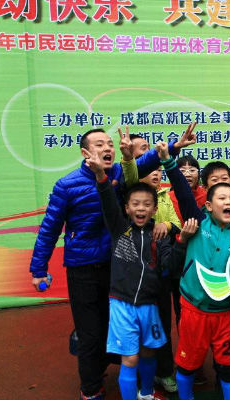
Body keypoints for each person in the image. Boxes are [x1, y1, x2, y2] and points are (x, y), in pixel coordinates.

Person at [29, 126, 192, 400]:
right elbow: (49, 229)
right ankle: (91, 389)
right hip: (83, 269)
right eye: (99, 145)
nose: (107, 148)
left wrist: (175, 147)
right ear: (85, 153)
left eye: (109, 144)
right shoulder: (66, 186)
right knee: (90, 333)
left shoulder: (118, 173)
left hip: (119, 268)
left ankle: (139, 385)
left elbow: (146, 161)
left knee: (123, 328)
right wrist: (38, 269)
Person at [158, 141, 230, 400]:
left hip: (226, 314)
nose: (229, 202)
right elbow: (182, 191)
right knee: (187, 366)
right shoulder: (196, 222)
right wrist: (168, 161)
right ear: (208, 206)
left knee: (229, 369)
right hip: (193, 311)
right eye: (222, 198)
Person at [84, 147, 174, 400]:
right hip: (122, 304)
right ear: (126, 208)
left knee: (148, 352)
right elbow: (107, 199)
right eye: (135, 204)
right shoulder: (119, 228)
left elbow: (169, 266)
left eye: (146, 204)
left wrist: (181, 238)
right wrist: (100, 176)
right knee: (131, 358)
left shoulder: (160, 234)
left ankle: (146, 394)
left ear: (154, 209)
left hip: (150, 305)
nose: (141, 208)